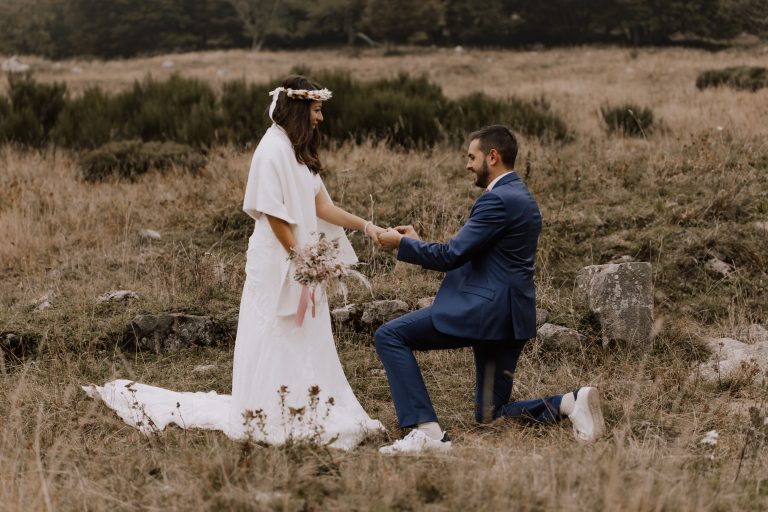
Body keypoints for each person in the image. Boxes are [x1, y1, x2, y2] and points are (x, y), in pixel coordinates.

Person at [84, 75, 384, 450]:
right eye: (317, 110)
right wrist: (301, 258)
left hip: (301, 258)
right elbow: (272, 213)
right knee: (276, 331)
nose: (321, 118)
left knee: (306, 332)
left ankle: (309, 404)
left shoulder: (298, 151)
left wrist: (368, 226)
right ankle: (272, 413)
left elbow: (322, 205)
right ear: (299, 109)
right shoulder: (270, 150)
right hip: (279, 259)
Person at [375, 125, 605, 454]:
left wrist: (403, 245)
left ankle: (426, 431)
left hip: (486, 315)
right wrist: (417, 241)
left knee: (390, 336)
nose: (468, 165)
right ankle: (569, 403)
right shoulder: (520, 195)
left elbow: (452, 256)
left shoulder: (496, 200)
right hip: (511, 319)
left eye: (472, 157)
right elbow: (477, 254)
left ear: (492, 156)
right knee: (489, 414)